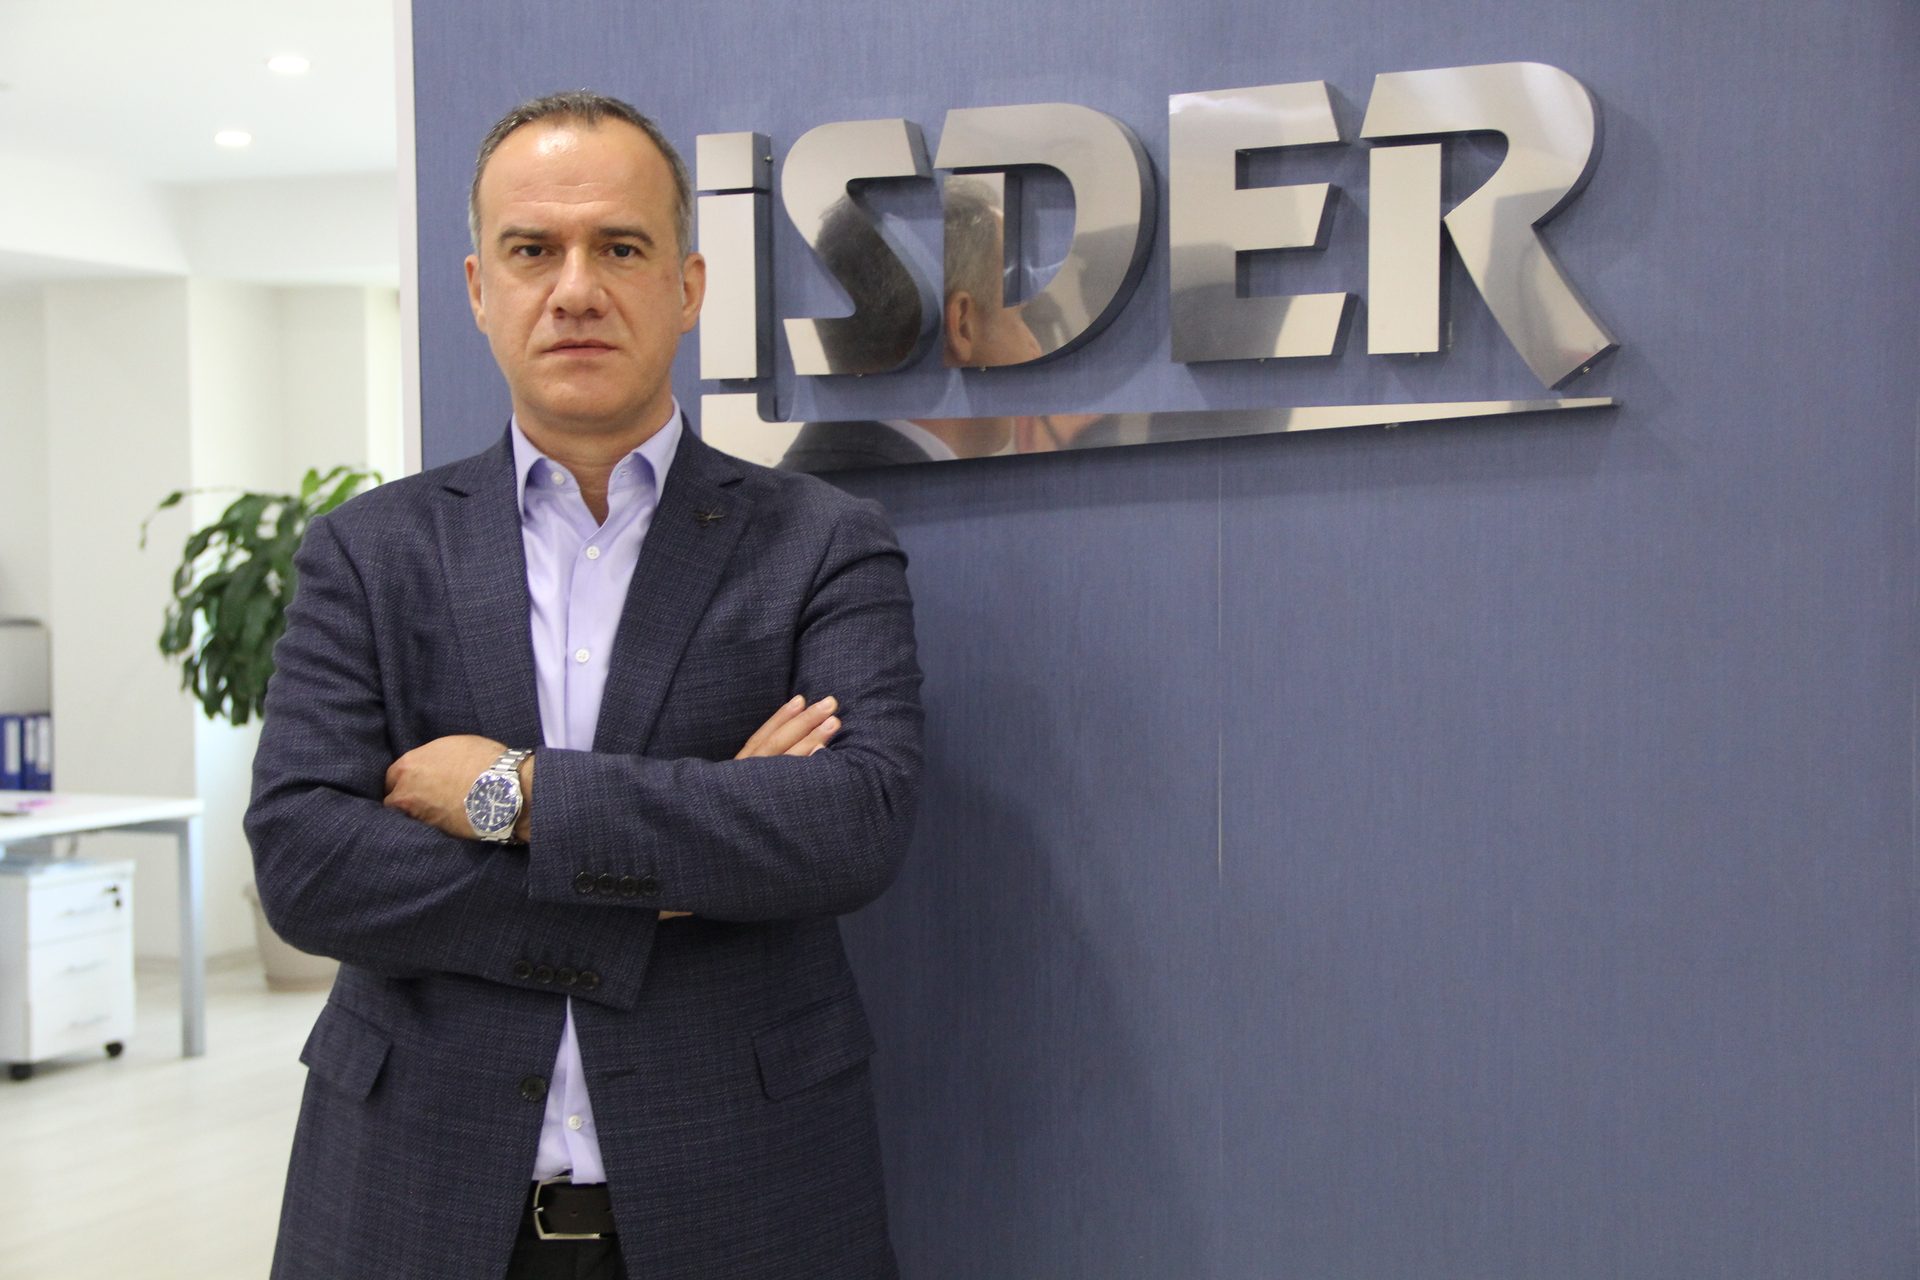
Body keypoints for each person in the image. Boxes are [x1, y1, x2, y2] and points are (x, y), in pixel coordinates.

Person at [245, 90, 923, 1280]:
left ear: (688, 285)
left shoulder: (822, 540)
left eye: (618, 246)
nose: (574, 288)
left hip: (747, 1192)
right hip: (413, 1194)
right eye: (532, 250)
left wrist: (512, 794)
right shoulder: (367, 551)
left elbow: (849, 824)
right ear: (477, 288)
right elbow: (308, 861)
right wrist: (672, 868)